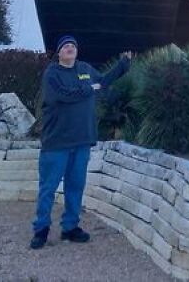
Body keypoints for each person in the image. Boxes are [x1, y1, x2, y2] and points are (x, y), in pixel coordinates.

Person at [30, 35, 132, 249]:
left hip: (82, 140)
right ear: (59, 52)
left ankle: (70, 228)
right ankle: (41, 229)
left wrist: (122, 67)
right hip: (57, 142)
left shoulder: (84, 68)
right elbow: (64, 96)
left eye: (73, 46)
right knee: (48, 188)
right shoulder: (52, 74)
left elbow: (102, 82)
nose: (70, 49)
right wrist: (89, 89)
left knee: (75, 186)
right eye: (65, 46)